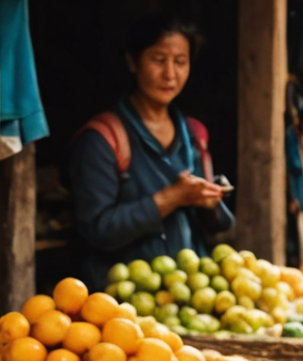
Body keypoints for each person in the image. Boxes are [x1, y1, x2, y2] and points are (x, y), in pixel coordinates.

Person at [68, 15, 233, 280]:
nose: (170, 74)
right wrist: (171, 198)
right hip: (121, 305)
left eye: (180, 62)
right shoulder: (103, 139)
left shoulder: (193, 135)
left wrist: (210, 203)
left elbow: (222, 225)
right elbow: (98, 229)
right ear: (133, 62)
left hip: (190, 298)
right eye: (158, 60)